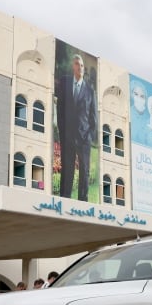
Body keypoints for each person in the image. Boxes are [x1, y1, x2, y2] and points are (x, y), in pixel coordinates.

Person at [56, 53, 97, 201]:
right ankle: (64, 200)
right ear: (73, 66)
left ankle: (83, 203)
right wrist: (62, 131)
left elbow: (93, 119)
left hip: (84, 138)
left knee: (84, 172)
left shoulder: (90, 91)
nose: (79, 67)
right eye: (77, 64)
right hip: (68, 137)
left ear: (83, 69)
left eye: (82, 65)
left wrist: (89, 137)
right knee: (67, 170)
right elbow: (59, 109)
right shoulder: (65, 83)